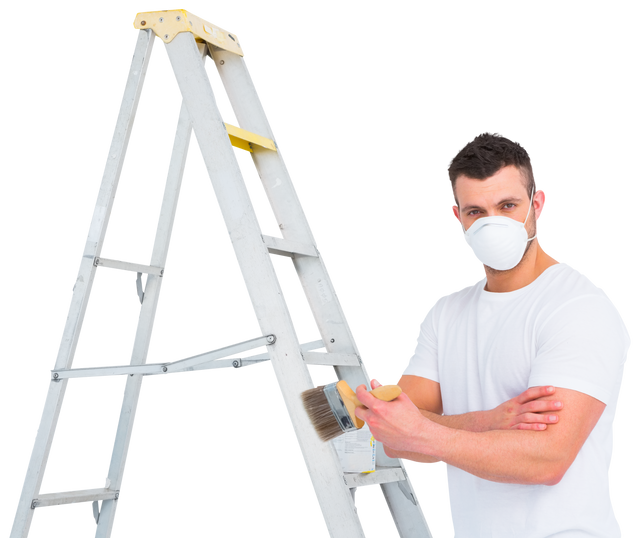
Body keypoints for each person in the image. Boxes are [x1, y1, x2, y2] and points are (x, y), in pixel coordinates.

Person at [354, 129, 631, 537]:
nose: (492, 224)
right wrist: (488, 421)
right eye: (476, 212)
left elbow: (546, 460)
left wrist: (425, 431)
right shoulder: (446, 312)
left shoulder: (579, 307)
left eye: (508, 205)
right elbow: (397, 438)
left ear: (538, 203)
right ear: (457, 217)